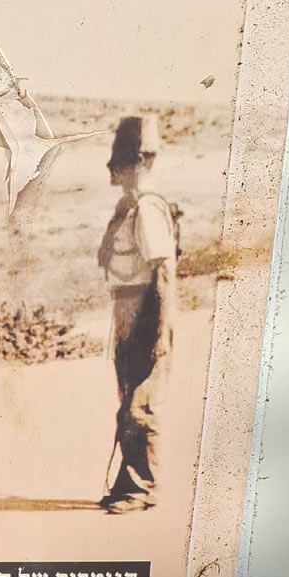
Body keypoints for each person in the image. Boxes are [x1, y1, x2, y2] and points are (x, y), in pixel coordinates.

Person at [96, 115, 178, 514]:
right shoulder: (127, 208)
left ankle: (142, 487)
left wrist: (161, 331)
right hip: (127, 313)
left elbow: (164, 275)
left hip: (146, 312)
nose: (116, 171)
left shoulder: (146, 209)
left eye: (124, 162)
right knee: (127, 400)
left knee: (139, 405)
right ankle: (128, 482)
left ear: (138, 162)